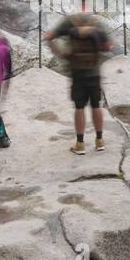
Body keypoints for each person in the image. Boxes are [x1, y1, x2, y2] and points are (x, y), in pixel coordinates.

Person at [44, 11, 112, 155]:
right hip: (94, 72)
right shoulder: (96, 22)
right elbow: (107, 47)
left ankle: (80, 144)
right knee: (96, 105)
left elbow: (49, 37)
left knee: (79, 107)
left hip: (77, 72)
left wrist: (62, 54)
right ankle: (99, 141)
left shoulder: (69, 21)